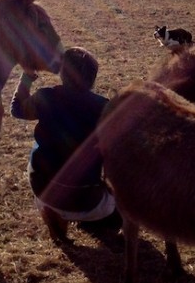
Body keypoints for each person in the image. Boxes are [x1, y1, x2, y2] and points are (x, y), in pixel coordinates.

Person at [10, 46, 121, 243]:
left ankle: (54, 212)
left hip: (44, 188)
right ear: (92, 77)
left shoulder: (46, 96)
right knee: (116, 219)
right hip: (87, 198)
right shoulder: (105, 108)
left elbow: (17, 109)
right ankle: (87, 217)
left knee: (37, 151)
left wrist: (27, 77)